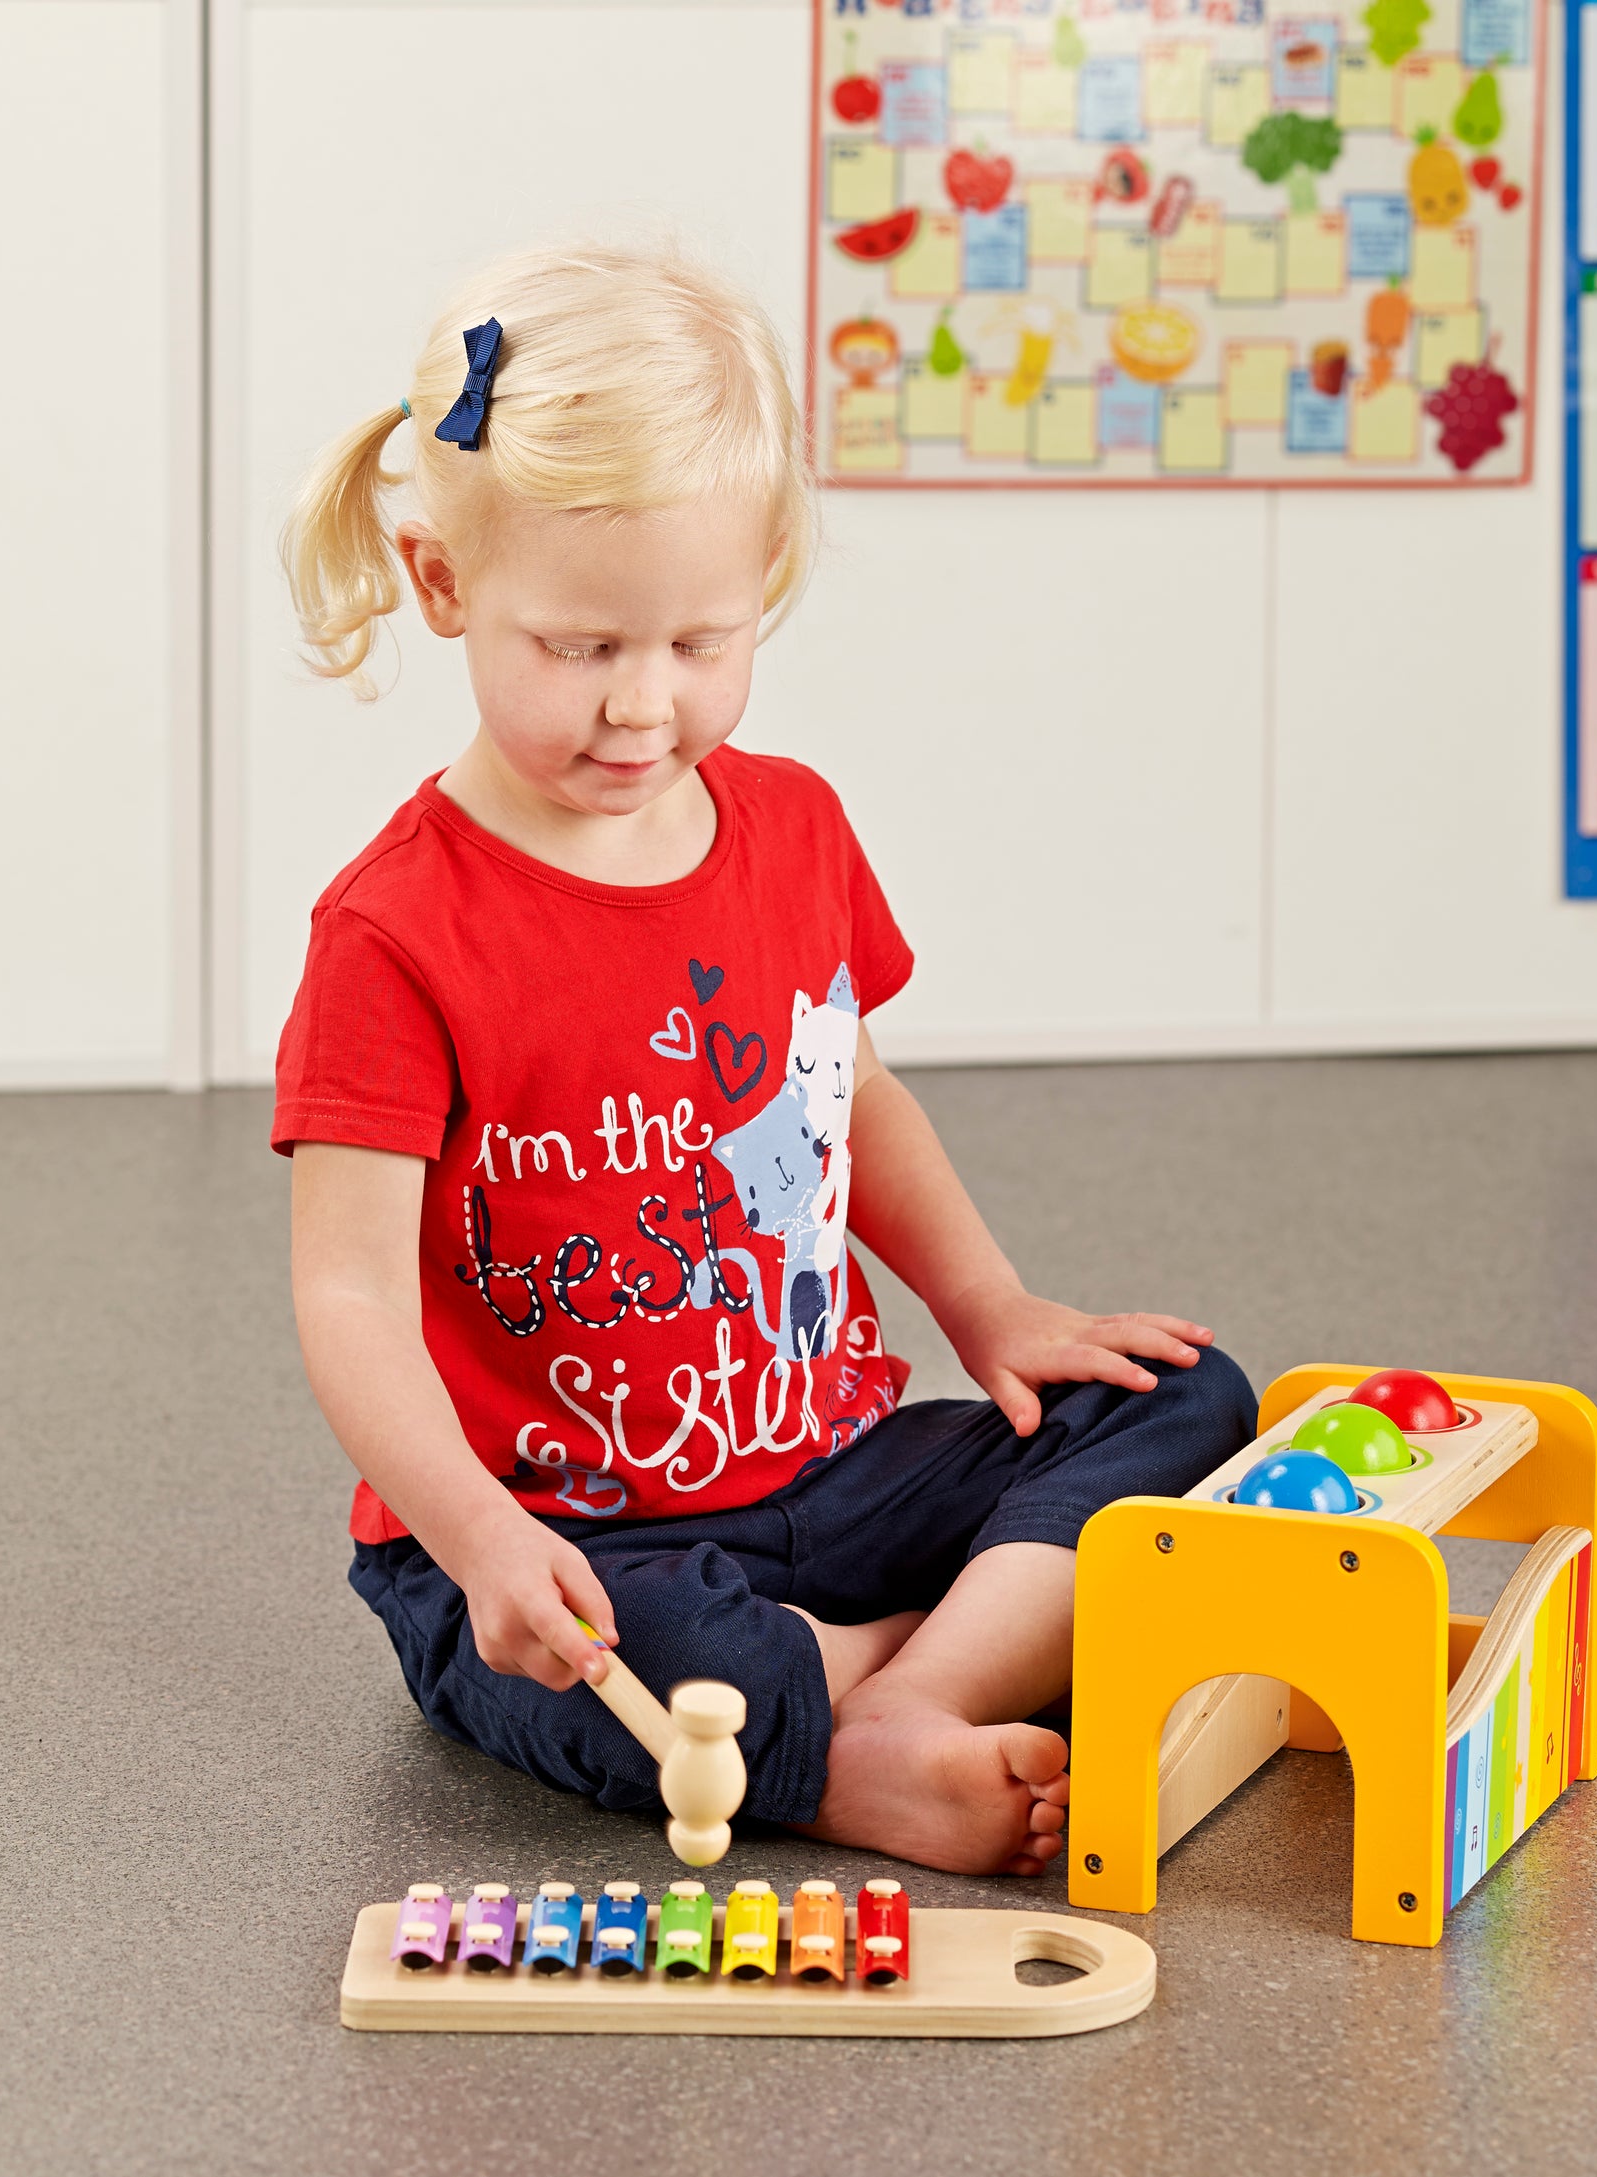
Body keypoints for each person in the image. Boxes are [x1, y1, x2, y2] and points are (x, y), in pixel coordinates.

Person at [276, 243, 1257, 1875]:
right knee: (653, 1660)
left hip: (830, 1465)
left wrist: (992, 1308)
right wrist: (482, 1537)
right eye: (580, 647)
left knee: (1188, 1407)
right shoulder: (393, 931)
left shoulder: (792, 827)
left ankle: (885, 1699)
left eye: (699, 642)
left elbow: (850, 1097)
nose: (641, 706)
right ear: (442, 582)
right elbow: (350, 1297)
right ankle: (882, 1711)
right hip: (560, 1535)